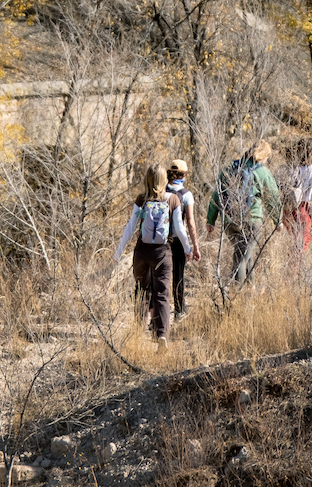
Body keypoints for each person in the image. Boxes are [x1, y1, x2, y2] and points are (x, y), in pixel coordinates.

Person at [114, 165, 191, 347]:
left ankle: (138, 334)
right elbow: (180, 228)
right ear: (165, 180)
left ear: (147, 179)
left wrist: (118, 252)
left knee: (142, 291)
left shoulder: (142, 199)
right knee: (162, 294)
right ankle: (161, 335)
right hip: (162, 253)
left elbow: (130, 226)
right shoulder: (173, 199)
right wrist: (188, 248)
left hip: (142, 251)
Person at [206, 139, 282, 287]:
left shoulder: (230, 167)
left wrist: (211, 219)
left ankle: (250, 289)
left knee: (246, 253)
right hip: (252, 219)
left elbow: (217, 194)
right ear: (263, 156)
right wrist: (277, 220)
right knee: (241, 257)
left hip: (229, 220)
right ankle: (238, 294)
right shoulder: (262, 172)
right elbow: (272, 198)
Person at [165, 158, 201, 321]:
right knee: (178, 276)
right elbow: (190, 223)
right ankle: (179, 311)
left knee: (161, 277)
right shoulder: (186, 194)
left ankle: (159, 312)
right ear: (183, 175)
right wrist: (194, 246)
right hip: (178, 240)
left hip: (160, 240)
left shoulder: (160, 190)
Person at [282, 136, 312, 262]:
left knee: (291, 242)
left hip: (286, 209)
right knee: (300, 244)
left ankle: (290, 270)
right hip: (302, 210)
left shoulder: (287, 168)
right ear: (311, 152)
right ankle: (293, 274)